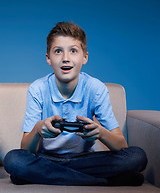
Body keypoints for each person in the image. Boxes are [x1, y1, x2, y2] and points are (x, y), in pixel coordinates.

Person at [3, 21, 147, 186]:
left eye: (73, 51)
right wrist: (37, 130)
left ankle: (43, 176)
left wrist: (100, 133)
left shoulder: (95, 88)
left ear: (84, 57)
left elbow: (122, 146)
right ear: (48, 58)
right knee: (14, 159)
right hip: (48, 159)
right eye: (58, 51)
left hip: (85, 160)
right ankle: (101, 182)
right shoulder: (38, 89)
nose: (65, 58)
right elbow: (26, 150)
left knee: (137, 156)